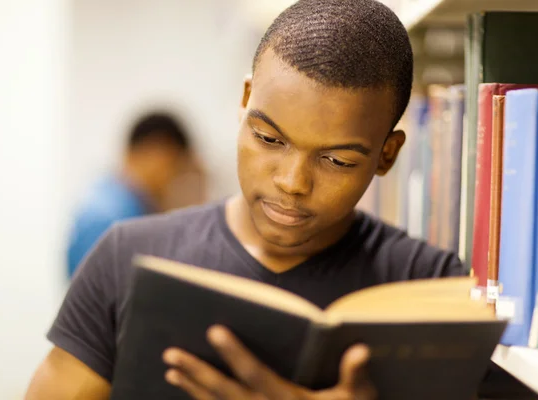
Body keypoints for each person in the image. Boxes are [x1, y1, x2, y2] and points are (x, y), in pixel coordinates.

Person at [25, 0, 465, 398]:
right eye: (269, 138)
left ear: (387, 155)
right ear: (244, 100)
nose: (293, 182)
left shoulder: (435, 289)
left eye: (336, 161)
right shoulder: (126, 257)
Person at [66, 112, 205, 278]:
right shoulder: (111, 218)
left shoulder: (125, 205)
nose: (174, 179)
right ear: (159, 153)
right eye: (177, 166)